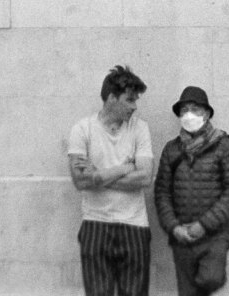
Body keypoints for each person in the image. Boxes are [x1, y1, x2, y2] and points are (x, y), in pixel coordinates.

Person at [68, 65, 153, 296]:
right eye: (129, 100)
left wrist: (99, 175)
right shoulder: (82, 130)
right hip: (96, 223)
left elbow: (145, 177)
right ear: (111, 98)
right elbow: (80, 181)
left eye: (136, 100)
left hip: (134, 225)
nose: (134, 106)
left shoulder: (140, 128)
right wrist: (125, 167)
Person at [154, 85, 229, 296]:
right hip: (181, 237)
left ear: (206, 113)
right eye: (184, 110)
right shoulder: (172, 149)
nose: (188, 115)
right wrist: (174, 227)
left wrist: (204, 225)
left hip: (214, 235)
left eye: (194, 109)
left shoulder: (224, 146)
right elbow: (162, 193)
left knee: (210, 277)